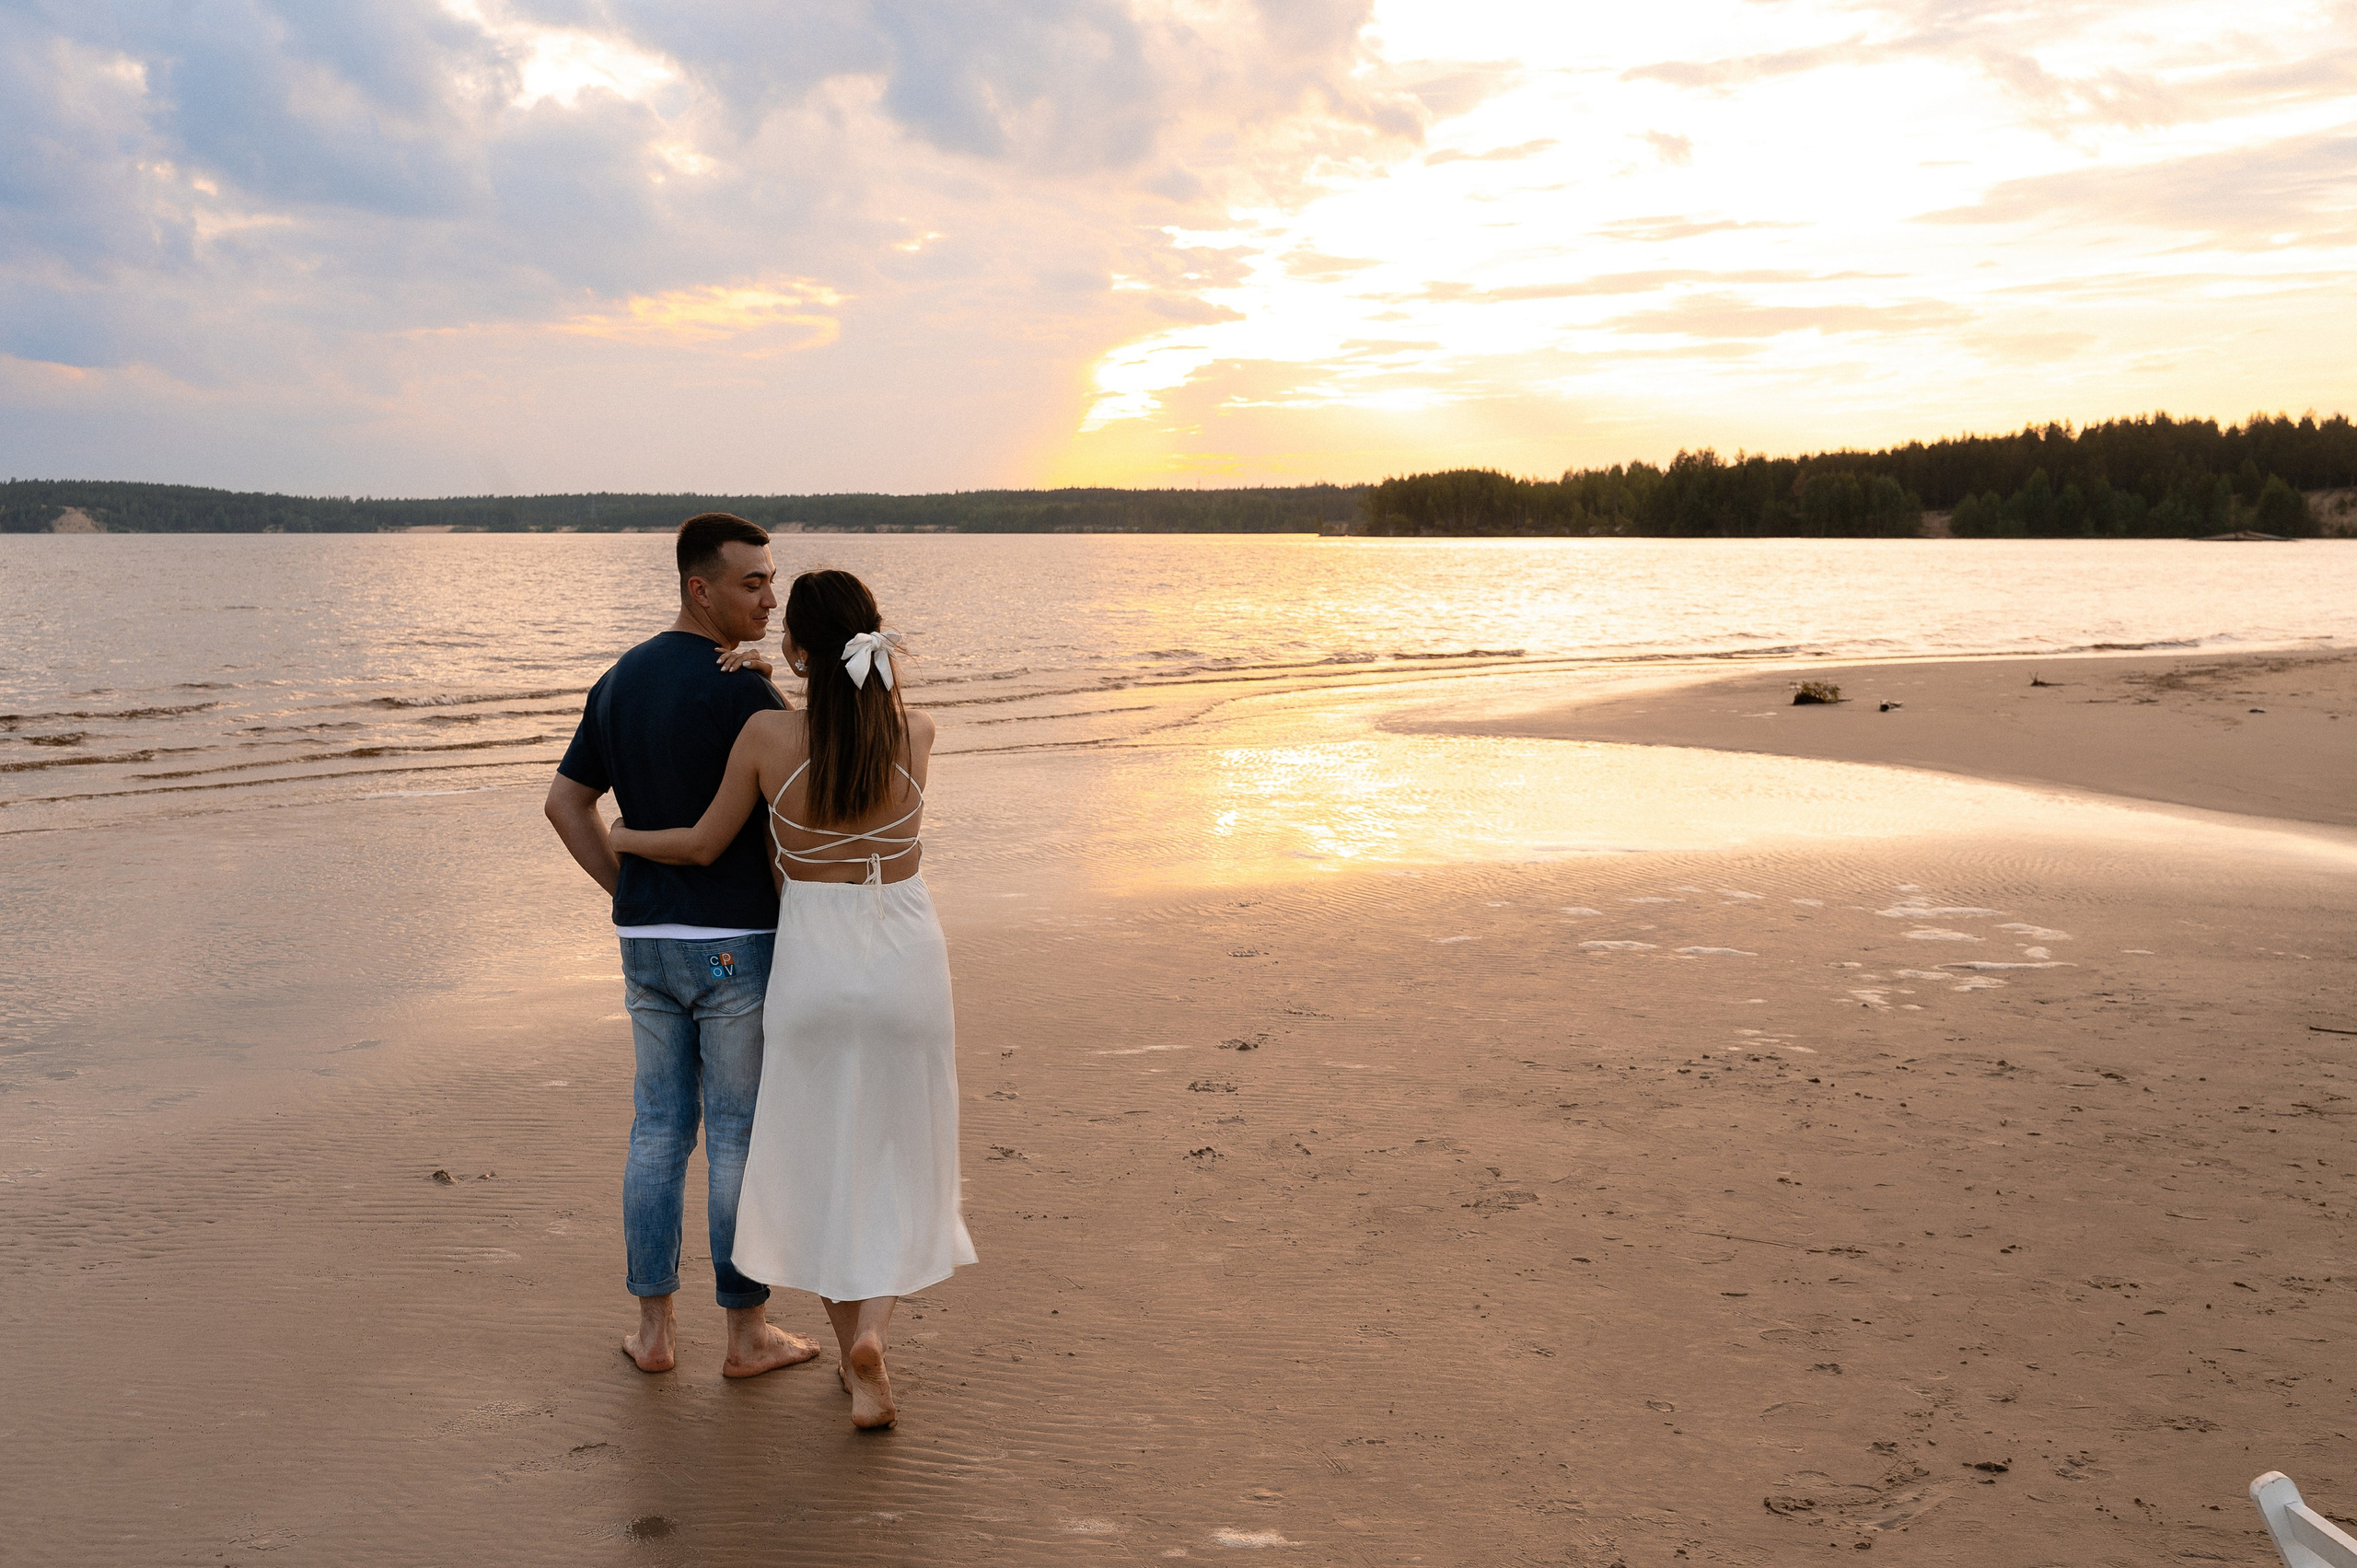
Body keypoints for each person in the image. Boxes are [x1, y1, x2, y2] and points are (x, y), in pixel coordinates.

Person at [610, 568, 975, 1430]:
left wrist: (623, 835)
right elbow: (862, 716)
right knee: (897, 1156)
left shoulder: (768, 736)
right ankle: (871, 1339)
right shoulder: (917, 731)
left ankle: (852, 1347)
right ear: (874, 640)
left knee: (818, 1162)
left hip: (813, 968)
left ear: (797, 651)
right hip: (906, 961)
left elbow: (702, 845)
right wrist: (799, 668)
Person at [543, 514, 819, 1380]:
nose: (770, 598)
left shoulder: (618, 679)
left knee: (658, 1128)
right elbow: (804, 806)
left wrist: (628, 893)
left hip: (647, 941)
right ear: (700, 588)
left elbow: (565, 804)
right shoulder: (742, 689)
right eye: (751, 584)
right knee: (735, 1132)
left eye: (774, 581)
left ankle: (655, 1332)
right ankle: (747, 1334)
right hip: (736, 939)